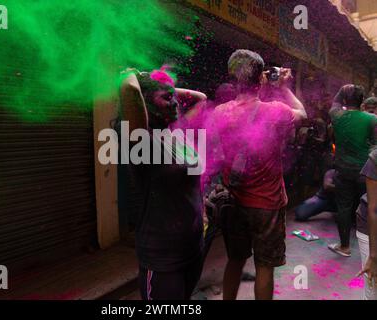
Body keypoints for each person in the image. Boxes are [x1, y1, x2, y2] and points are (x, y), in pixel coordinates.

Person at [208, 49, 307, 300]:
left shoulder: (220, 113)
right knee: (264, 266)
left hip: (234, 200)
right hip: (267, 205)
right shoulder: (276, 111)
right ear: (261, 78)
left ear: (233, 77)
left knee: (235, 260)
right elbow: (303, 115)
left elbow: (214, 151)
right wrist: (284, 88)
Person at [119, 67, 207, 300]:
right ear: (146, 104)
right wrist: (131, 74)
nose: (175, 103)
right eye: (167, 98)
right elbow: (129, 89)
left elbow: (201, 99)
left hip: (193, 247)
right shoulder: (142, 143)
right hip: (163, 258)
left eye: (174, 97)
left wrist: (164, 87)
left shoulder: (175, 134)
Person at [328, 85, 376, 257]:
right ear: (362, 101)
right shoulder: (371, 119)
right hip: (365, 171)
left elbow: (334, 102)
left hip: (343, 171)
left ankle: (345, 247)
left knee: (344, 208)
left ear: (345, 100)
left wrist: (342, 90)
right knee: (370, 208)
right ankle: (371, 250)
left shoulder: (337, 116)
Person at [356, 148, 377, 299]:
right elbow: (373, 210)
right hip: (371, 230)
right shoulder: (375, 159)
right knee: (373, 292)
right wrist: (373, 257)